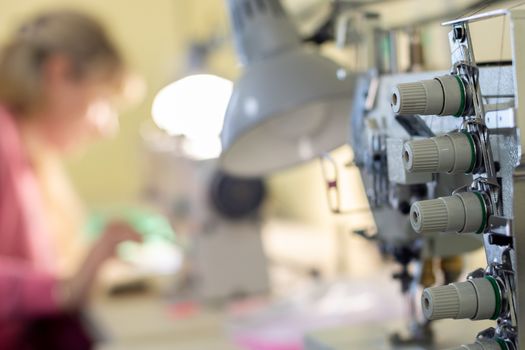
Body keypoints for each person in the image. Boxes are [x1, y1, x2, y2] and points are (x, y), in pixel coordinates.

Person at [0, 10, 142, 349]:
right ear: (59, 73)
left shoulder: (27, 153)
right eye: (103, 100)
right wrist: (63, 288)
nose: (106, 127)